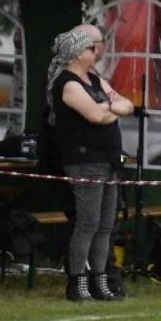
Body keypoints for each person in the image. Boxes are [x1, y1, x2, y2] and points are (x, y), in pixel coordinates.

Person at [48, 23, 134, 302]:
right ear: (76, 53)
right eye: (90, 47)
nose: (95, 51)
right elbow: (94, 115)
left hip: (109, 160)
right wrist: (110, 109)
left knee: (106, 223)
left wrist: (109, 107)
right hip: (85, 160)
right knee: (88, 222)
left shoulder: (94, 80)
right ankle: (77, 280)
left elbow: (126, 104)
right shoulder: (68, 83)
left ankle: (100, 278)